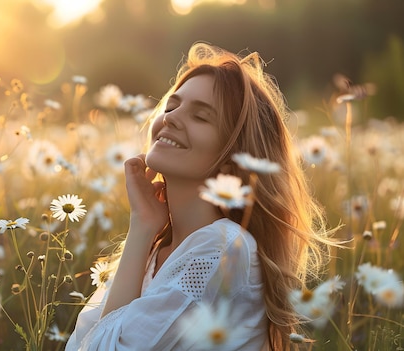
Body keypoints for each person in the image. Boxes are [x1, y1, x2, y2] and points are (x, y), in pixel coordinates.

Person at [65, 42, 335, 350]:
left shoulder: (222, 249)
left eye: (201, 117)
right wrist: (142, 224)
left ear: (234, 153)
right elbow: (83, 344)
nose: (172, 118)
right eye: (171, 106)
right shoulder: (157, 250)